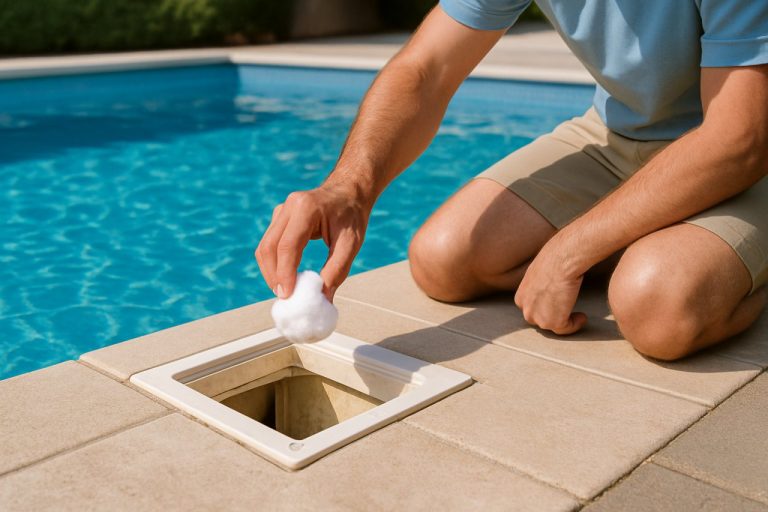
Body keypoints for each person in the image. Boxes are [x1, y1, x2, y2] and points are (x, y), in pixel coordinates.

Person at [255, 1, 768, 361]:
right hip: (618, 135)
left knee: (657, 306)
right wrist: (350, 186)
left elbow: (739, 138)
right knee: (443, 258)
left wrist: (572, 248)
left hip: (746, 149)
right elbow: (427, 69)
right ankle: (660, 241)